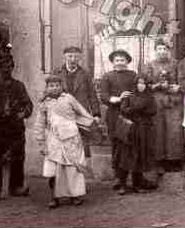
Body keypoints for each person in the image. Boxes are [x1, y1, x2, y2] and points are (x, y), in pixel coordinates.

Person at [0, 53, 33, 202]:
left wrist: (24, 113)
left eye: (9, 66)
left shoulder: (19, 85)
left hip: (15, 127)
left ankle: (16, 187)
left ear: (12, 67)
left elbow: (28, 104)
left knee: (18, 156)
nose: (6, 68)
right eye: (3, 66)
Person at [33, 75, 94, 208]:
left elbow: (83, 113)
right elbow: (39, 124)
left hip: (72, 140)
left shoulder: (69, 99)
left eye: (57, 85)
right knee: (54, 171)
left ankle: (75, 195)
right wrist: (41, 143)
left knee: (73, 169)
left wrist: (78, 124)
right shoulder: (44, 103)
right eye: (51, 86)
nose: (54, 88)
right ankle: (54, 197)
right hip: (53, 141)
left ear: (61, 86)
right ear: (47, 88)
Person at [142, 38, 184, 173]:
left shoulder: (176, 64)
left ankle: (174, 160)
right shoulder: (149, 65)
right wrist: (157, 85)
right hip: (156, 100)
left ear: (169, 51)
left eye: (164, 49)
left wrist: (177, 87)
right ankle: (158, 161)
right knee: (158, 130)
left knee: (174, 129)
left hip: (173, 100)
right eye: (159, 49)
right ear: (155, 51)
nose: (162, 51)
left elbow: (183, 81)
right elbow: (144, 85)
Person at [52, 46, 101, 157]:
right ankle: (64, 172)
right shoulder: (57, 72)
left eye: (76, 57)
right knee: (63, 142)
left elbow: (92, 95)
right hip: (63, 114)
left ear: (80, 58)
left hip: (81, 113)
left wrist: (96, 114)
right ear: (65, 57)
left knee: (82, 144)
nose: (73, 59)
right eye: (70, 56)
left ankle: (82, 172)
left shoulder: (85, 74)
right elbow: (51, 92)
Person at [99, 49, 137, 189]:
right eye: (117, 60)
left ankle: (132, 178)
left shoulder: (133, 76)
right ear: (113, 62)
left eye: (122, 60)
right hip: (114, 115)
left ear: (127, 61)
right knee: (116, 145)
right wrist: (116, 99)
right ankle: (118, 178)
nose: (120, 62)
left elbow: (138, 91)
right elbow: (103, 95)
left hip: (131, 114)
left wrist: (132, 100)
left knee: (130, 146)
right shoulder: (107, 77)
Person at [115, 75, 158, 195]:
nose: (141, 86)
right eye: (139, 83)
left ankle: (137, 184)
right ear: (135, 84)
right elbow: (124, 109)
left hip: (143, 130)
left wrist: (135, 109)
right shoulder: (129, 95)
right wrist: (138, 108)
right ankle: (123, 185)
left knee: (139, 156)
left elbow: (153, 111)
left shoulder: (149, 97)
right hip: (130, 130)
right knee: (126, 156)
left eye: (143, 83)